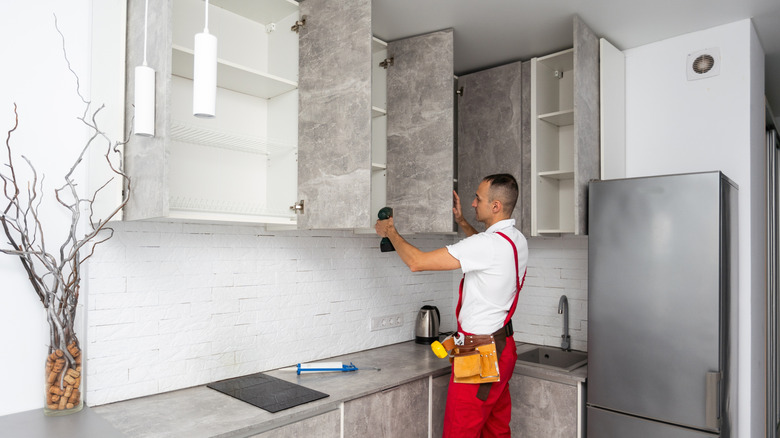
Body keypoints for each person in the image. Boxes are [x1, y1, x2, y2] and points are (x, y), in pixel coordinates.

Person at [375, 173, 528, 437]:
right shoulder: (515, 239)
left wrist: (391, 231)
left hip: (480, 353)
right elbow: (482, 247)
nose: (472, 203)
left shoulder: (486, 246)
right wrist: (462, 222)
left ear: (495, 206)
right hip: (503, 348)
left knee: (460, 430)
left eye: (478, 198)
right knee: (496, 429)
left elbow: (417, 262)